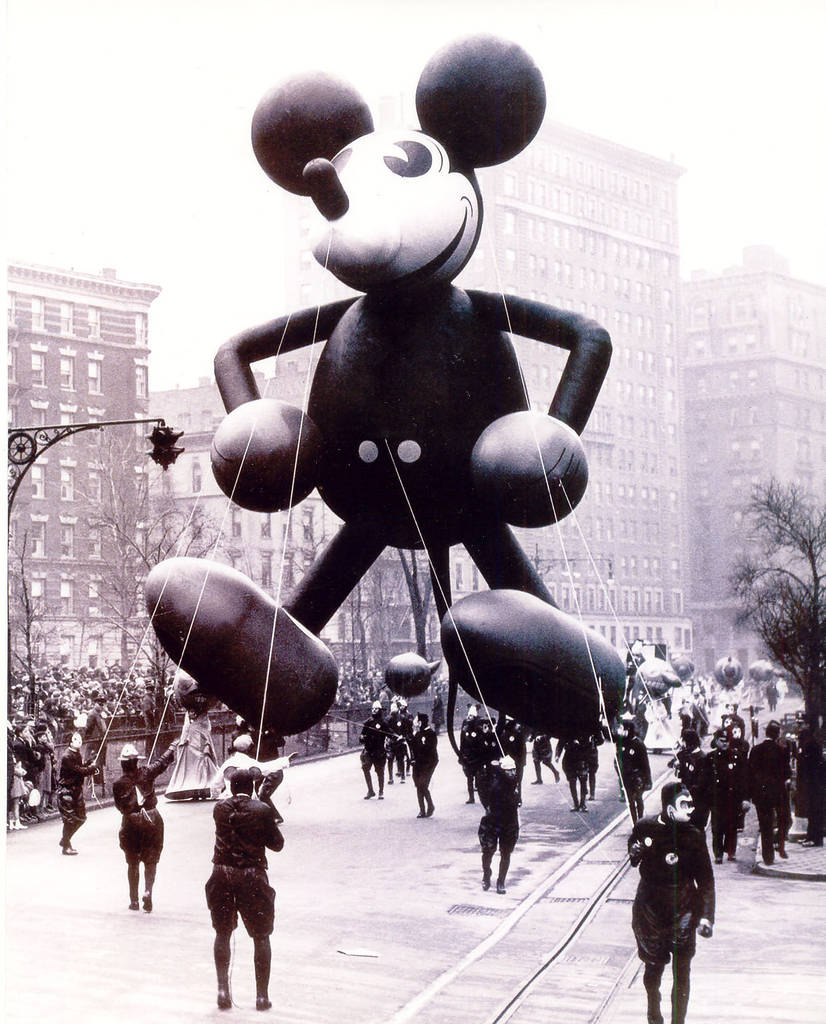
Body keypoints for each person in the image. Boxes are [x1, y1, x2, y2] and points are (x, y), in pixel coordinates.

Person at [629, 782, 715, 1024]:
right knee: (653, 968)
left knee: (682, 971)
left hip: (684, 910)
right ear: (668, 810)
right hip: (650, 911)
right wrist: (634, 852)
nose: (690, 809)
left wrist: (707, 915)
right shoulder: (645, 827)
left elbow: (706, 880)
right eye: (684, 805)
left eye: (690, 804)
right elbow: (633, 855)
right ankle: (653, 1013)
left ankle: (679, 1021)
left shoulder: (695, 836)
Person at [205, 768, 284, 1012]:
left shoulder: (220, 809)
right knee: (261, 935)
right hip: (252, 875)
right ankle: (262, 996)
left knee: (222, 932)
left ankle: (222, 990)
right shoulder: (262, 809)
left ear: (231, 787)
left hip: (222, 873)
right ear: (251, 787)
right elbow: (277, 844)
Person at [113, 741, 178, 912]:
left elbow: (119, 806)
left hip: (130, 823)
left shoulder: (118, 784)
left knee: (132, 862)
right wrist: (172, 747)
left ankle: (134, 900)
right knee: (151, 861)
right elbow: (162, 762)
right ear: (137, 761)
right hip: (152, 819)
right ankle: (148, 891)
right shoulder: (147, 773)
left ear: (122, 763)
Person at [748, 720, 792, 865]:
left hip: (761, 794)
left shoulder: (755, 750)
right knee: (784, 819)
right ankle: (779, 842)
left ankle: (768, 857)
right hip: (778, 792)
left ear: (766, 733)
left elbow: (749, 773)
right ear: (777, 734)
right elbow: (787, 773)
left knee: (765, 824)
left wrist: (751, 794)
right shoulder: (781, 751)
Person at [476, 756, 520, 894]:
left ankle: (501, 881)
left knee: (506, 853)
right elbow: (482, 791)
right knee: (488, 851)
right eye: (509, 771)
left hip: (510, 822)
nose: (512, 773)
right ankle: (486, 873)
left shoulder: (515, 783)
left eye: (513, 770)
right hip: (493, 821)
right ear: (503, 771)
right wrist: (487, 807)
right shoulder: (494, 782)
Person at [708, 729, 750, 863]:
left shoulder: (737, 757)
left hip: (733, 798)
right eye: (722, 741)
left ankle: (731, 851)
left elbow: (744, 779)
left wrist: (745, 799)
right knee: (717, 828)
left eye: (727, 741)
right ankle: (718, 854)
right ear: (716, 741)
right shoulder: (710, 758)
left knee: (732, 826)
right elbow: (704, 780)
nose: (725, 744)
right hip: (717, 799)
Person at [56, 732, 100, 855]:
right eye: (75, 739)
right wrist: (91, 768)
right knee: (70, 820)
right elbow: (79, 771)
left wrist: (90, 763)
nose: (79, 741)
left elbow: (80, 767)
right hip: (67, 790)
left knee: (81, 818)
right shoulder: (67, 756)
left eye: (80, 738)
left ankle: (65, 840)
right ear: (70, 741)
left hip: (77, 790)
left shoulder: (77, 754)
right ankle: (66, 844)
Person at [165, 706, 219, 801]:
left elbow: (207, 737)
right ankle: (195, 791)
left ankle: (202, 791)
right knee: (192, 772)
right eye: (189, 712)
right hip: (190, 751)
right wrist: (183, 744)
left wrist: (206, 746)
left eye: (192, 712)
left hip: (200, 750)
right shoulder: (188, 726)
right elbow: (184, 736)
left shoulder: (202, 725)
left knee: (203, 769)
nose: (191, 714)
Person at [614, 716, 652, 823]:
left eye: (622, 729)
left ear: (628, 730)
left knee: (638, 799)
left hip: (638, 776)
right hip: (626, 777)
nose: (620, 731)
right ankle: (634, 822)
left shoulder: (638, 744)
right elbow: (617, 760)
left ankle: (640, 820)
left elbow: (645, 763)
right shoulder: (621, 743)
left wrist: (648, 780)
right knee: (630, 801)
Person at [670, 729, 711, 829]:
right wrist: (677, 765)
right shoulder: (684, 755)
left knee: (697, 828)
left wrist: (689, 792)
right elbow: (674, 767)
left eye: (684, 741)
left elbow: (702, 783)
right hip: (686, 798)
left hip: (698, 800)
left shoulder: (702, 758)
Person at [797, 728, 825, 847]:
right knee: (813, 812)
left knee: (814, 812)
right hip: (815, 785)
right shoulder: (813, 747)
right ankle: (811, 836)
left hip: (814, 785)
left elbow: (805, 766)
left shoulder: (809, 748)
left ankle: (814, 838)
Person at [409, 712, 438, 818]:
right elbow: (413, 747)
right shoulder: (417, 734)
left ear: (421, 722)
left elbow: (429, 750)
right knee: (418, 785)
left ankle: (430, 805)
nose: (415, 724)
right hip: (418, 763)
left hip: (428, 763)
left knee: (422, 784)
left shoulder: (431, 733)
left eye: (417, 722)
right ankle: (422, 809)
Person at [495, 715, 527, 804]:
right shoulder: (504, 734)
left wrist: (519, 762)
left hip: (517, 763)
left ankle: (518, 798)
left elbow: (521, 750)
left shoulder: (518, 734)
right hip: (506, 762)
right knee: (506, 781)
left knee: (517, 781)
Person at [556, 733, 592, 812]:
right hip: (569, 760)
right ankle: (576, 804)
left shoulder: (585, 729)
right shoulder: (566, 730)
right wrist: (557, 755)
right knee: (572, 782)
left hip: (581, 759)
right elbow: (560, 743)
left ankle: (583, 804)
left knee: (583, 782)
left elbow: (592, 744)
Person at [359, 701, 387, 800]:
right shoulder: (368, 722)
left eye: (376, 709)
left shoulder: (383, 723)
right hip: (369, 750)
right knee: (365, 768)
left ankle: (381, 791)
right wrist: (363, 737)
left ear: (380, 710)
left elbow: (390, 733)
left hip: (379, 751)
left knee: (380, 771)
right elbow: (362, 736)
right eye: (373, 709)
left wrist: (397, 737)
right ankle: (370, 790)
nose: (374, 710)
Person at [84, 692, 108, 797]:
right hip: (94, 743)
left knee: (101, 763)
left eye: (102, 703)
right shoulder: (92, 714)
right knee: (93, 763)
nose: (101, 705)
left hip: (101, 742)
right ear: (95, 703)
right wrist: (91, 739)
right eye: (99, 703)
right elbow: (87, 729)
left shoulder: (101, 714)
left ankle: (101, 786)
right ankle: (91, 786)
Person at [385, 699, 408, 785]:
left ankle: (403, 776)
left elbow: (406, 730)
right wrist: (389, 736)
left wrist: (403, 736)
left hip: (399, 742)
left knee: (400, 759)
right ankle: (390, 777)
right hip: (391, 742)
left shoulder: (402, 718)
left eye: (395, 708)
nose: (393, 709)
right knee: (390, 759)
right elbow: (385, 729)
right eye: (392, 708)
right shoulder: (387, 719)